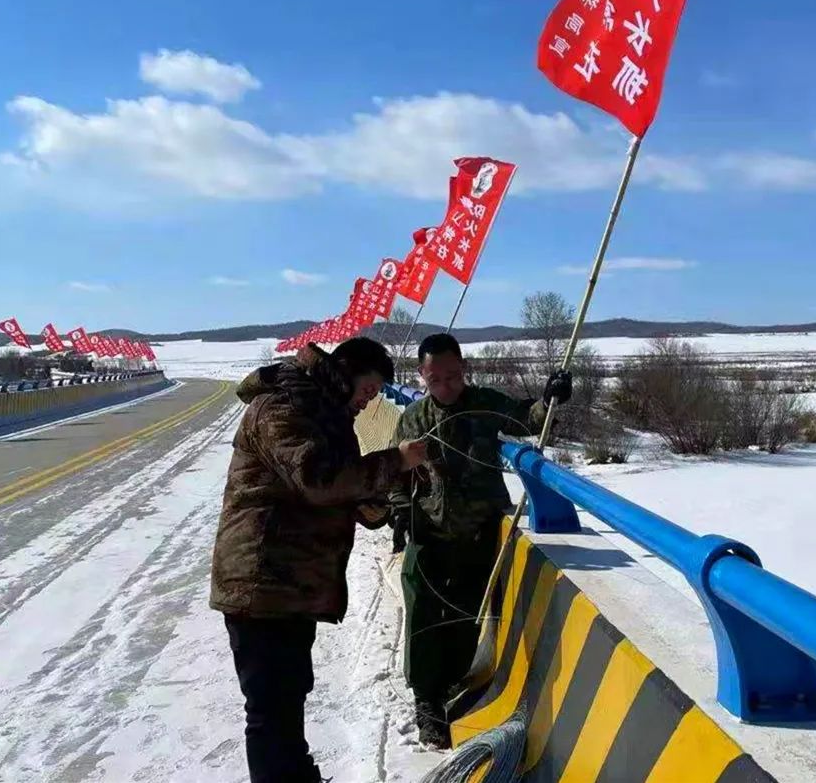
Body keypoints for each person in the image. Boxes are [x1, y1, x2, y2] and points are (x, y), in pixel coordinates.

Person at [210, 338, 427, 783]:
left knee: (288, 697)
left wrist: (393, 501)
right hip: (261, 580)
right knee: (271, 709)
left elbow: (348, 496)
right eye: (367, 390)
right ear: (344, 371)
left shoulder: (326, 412)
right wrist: (394, 461)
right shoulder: (283, 407)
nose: (369, 403)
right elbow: (319, 480)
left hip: (290, 582)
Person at [387, 333, 572, 749]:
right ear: (421, 376)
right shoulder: (413, 418)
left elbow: (529, 419)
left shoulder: (485, 404)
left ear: (464, 370)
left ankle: (454, 683)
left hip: (478, 531)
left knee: (467, 613)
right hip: (428, 531)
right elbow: (396, 471)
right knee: (422, 614)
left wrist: (551, 399)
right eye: (436, 379)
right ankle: (426, 700)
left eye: (453, 376)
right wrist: (400, 510)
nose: (446, 386)